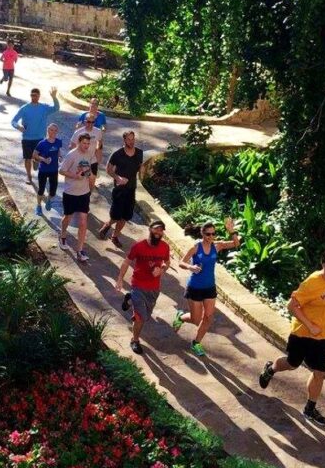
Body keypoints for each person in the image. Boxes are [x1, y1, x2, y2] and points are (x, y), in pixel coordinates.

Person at [258, 250, 325, 428]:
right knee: (292, 364)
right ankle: (271, 369)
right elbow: (291, 305)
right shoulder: (311, 283)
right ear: (324, 265)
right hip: (302, 334)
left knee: (319, 372)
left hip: (324, 336)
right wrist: (309, 325)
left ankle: (310, 408)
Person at [172, 218, 241, 357]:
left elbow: (236, 243)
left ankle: (196, 342)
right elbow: (181, 262)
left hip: (210, 287)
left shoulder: (218, 246)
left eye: (213, 234)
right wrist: (191, 267)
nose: (211, 237)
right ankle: (181, 317)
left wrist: (231, 231)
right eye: (208, 234)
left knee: (208, 317)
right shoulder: (196, 247)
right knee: (196, 319)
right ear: (202, 234)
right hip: (195, 287)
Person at [115, 220, 172, 355]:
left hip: (154, 288)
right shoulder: (139, 246)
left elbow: (167, 262)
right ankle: (135, 340)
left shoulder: (164, 247)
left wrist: (162, 270)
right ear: (150, 229)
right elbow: (127, 261)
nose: (158, 232)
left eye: (161, 230)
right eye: (156, 229)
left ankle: (129, 300)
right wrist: (119, 280)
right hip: (138, 285)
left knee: (146, 316)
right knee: (140, 317)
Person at [97, 130, 143, 248]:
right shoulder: (117, 154)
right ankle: (107, 225)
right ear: (124, 140)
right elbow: (108, 169)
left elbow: (139, 167)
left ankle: (115, 236)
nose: (131, 141)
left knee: (125, 216)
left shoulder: (139, 153)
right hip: (119, 189)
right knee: (116, 216)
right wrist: (118, 178)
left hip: (131, 189)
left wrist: (141, 172)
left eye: (133, 139)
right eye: (129, 139)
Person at [58, 134, 97, 262]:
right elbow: (61, 170)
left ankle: (79, 250)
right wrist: (75, 176)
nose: (86, 145)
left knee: (83, 222)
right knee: (67, 218)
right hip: (70, 193)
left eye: (88, 143)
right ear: (79, 142)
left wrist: (90, 177)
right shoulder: (71, 155)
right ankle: (63, 234)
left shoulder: (89, 154)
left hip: (84, 193)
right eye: (84, 143)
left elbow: (88, 171)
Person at [10, 87, 59, 185]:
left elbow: (56, 108)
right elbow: (13, 121)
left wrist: (54, 97)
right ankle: (29, 176)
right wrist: (18, 127)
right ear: (30, 95)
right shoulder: (24, 108)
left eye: (36, 95)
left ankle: (36, 160)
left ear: (39, 96)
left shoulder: (44, 108)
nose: (34, 97)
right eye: (32, 95)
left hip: (40, 139)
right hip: (27, 138)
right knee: (27, 158)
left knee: (37, 158)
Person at [33, 123, 62, 215]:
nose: (53, 132)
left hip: (54, 170)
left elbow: (58, 152)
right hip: (43, 170)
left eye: (55, 130)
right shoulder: (42, 143)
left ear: (57, 132)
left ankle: (49, 200)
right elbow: (34, 155)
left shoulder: (58, 142)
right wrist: (44, 160)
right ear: (47, 130)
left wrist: (60, 157)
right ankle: (38, 206)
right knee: (41, 189)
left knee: (53, 191)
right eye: (51, 130)